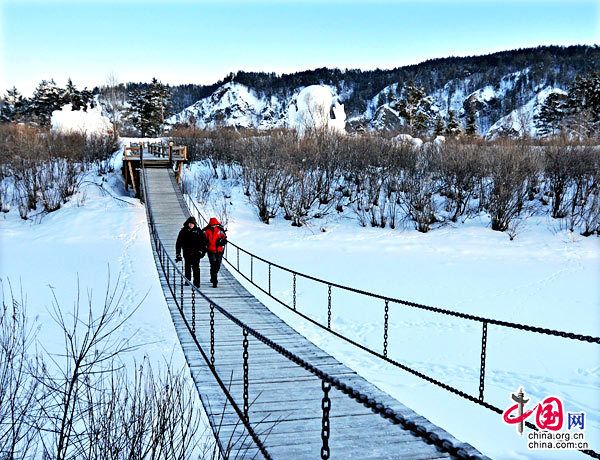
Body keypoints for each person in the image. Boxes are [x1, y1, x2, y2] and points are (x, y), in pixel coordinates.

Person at [175, 216, 207, 288]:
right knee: (187, 266)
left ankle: (197, 282)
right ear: (187, 223)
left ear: (194, 224)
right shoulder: (183, 231)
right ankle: (187, 280)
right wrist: (178, 253)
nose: (191, 225)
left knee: (196, 267)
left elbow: (203, 242)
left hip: (196, 252)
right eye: (190, 223)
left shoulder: (198, 231)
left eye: (192, 224)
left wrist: (202, 252)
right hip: (187, 252)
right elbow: (178, 243)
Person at [203, 217, 227, 288]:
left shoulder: (220, 230)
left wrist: (222, 242)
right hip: (210, 250)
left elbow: (224, 238)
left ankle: (212, 276)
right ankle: (214, 281)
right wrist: (205, 245)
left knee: (218, 264)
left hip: (219, 250)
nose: (213, 225)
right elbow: (204, 239)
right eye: (212, 224)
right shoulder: (206, 231)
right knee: (213, 264)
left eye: (215, 224)